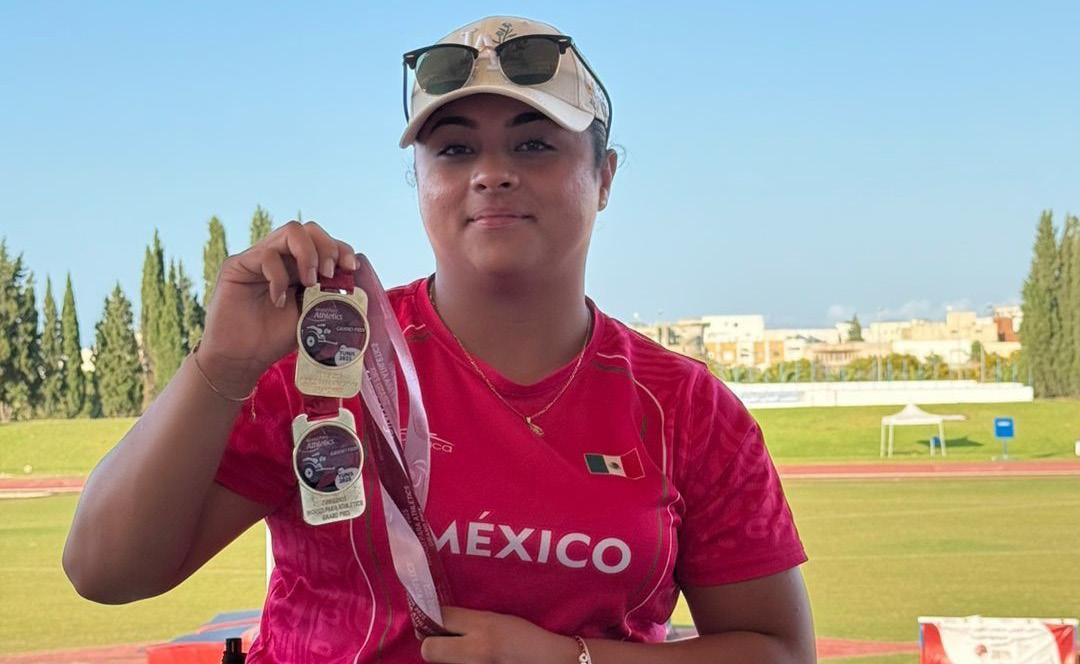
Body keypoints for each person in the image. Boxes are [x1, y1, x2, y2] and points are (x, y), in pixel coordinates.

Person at [64, 15, 815, 664]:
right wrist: (222, 364)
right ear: (418, 179)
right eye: (454, 150)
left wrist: (569, 658)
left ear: (605, 176)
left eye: (534, 145)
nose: (491, 174)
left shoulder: (687, 409)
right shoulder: (329, 358)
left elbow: (777, 649)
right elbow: (104, 572)